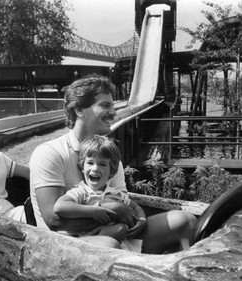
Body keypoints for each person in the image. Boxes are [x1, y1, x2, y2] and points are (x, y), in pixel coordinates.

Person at [29, 73, 196, 253]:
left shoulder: (107, 155)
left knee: (185, 221)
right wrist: (114, 211)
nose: (114, 112)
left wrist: (139, 219)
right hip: (67, 243)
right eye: (105, 105)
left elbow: (124, 205)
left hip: (117, 234)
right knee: (110, 246)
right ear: (79, 110)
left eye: (113, 105)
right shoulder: (50, 153)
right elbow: (54, 220)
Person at [54, 135, 146, 246]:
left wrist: (142, 220)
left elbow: (136, 207)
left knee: (122, 229)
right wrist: (92, 211)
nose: (95, 168)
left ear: (111, 171)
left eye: (102, 164)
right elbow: (59, 206)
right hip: (86, 241)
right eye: (90, 163)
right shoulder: (82, 191)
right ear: (82, 167)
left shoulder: (116, 193)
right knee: (120, 229)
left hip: (116, 242)